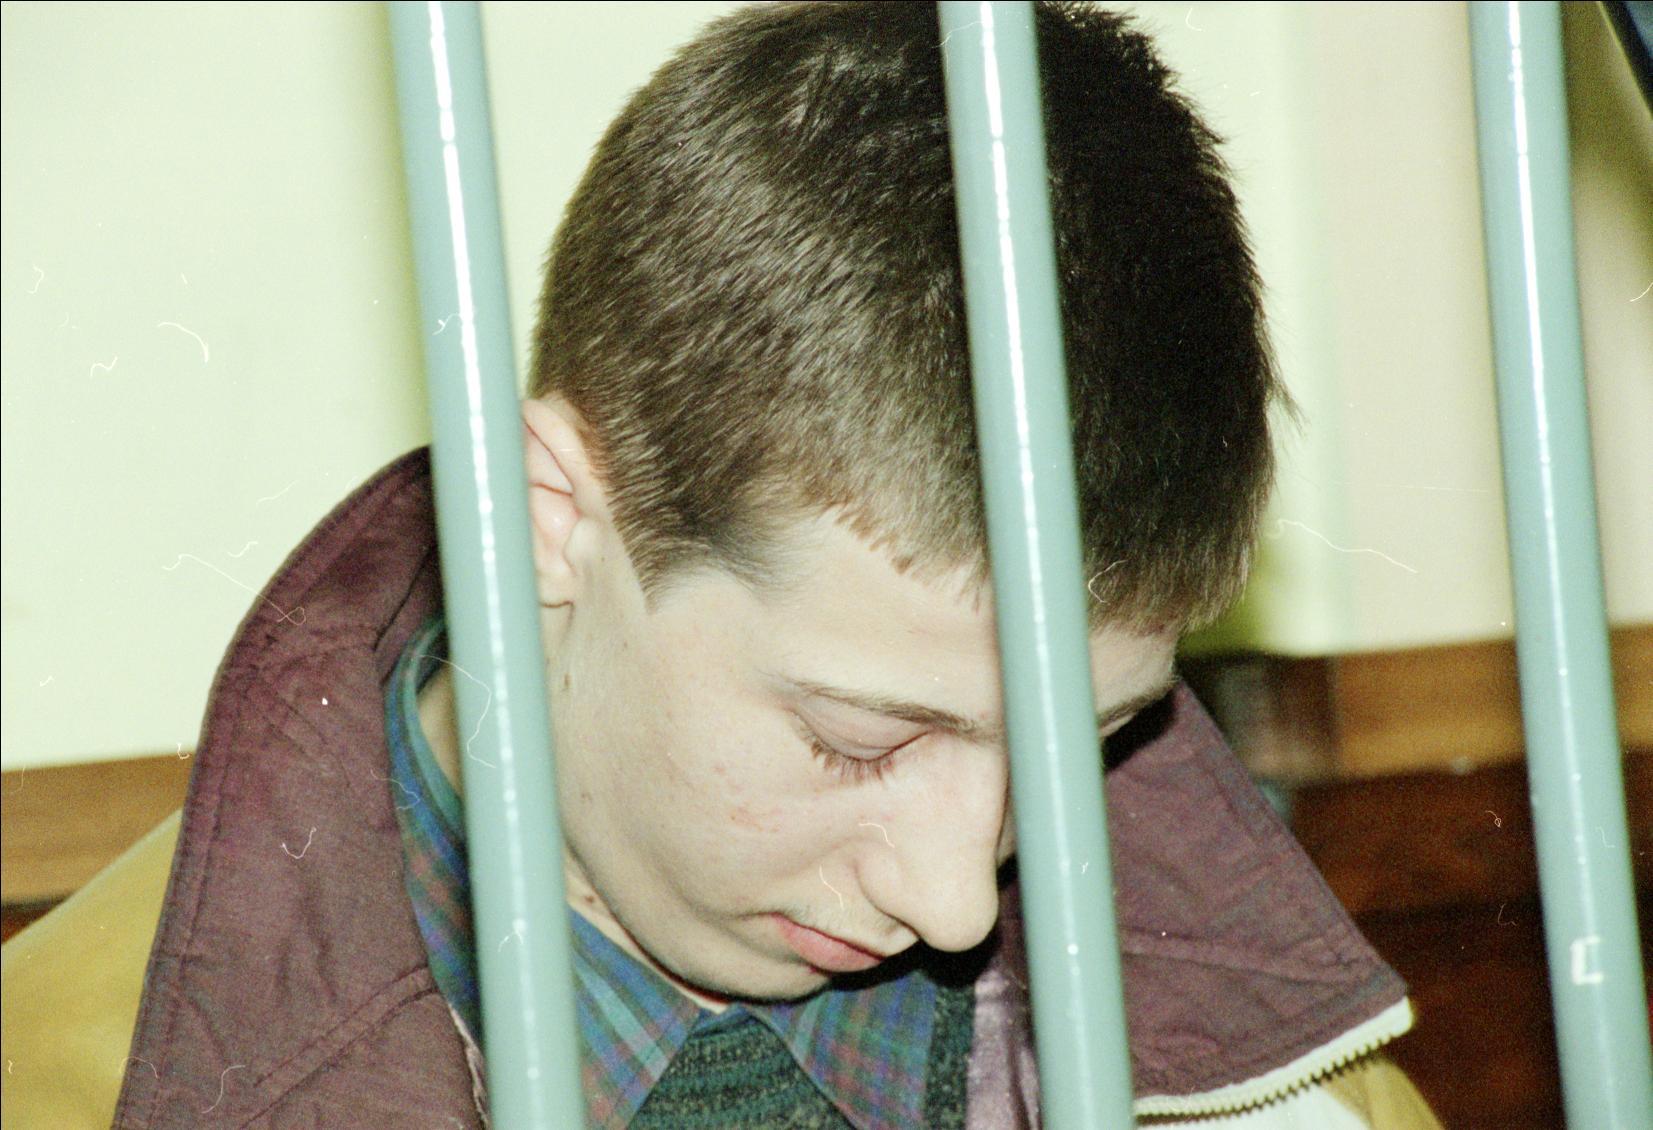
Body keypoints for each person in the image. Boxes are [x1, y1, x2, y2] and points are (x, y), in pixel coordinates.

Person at [9, 3, 1441, 1127]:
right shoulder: (71, 1080)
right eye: (859, 741)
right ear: (543, 516)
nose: (957, 898)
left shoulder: (1289, 1095)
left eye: (1090, 743)